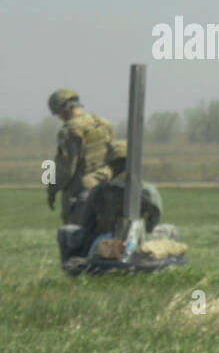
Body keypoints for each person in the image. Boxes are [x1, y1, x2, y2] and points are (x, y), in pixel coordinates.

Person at [57, 139, 175, 263]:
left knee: (66, 231)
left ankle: (72, 269)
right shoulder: (149, 191)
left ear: (111, 164)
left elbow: (86, 222)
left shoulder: (98, 191)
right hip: (143, 243)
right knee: (170, 229)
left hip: (105, 243)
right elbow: (153, 223)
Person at [47, 89, 113, 224]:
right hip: (106, 184)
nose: (59, 117)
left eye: (58, 113)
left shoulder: (70, 130)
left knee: (75, 235)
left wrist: (52, 189)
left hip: (80, 191)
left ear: (64, 109)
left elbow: (65, 168)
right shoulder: (102, 123)